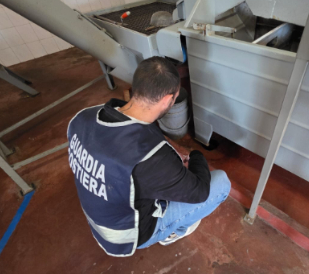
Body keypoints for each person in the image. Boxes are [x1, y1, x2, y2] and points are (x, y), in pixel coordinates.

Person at [67, 56, 231, 256]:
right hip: (127, 235)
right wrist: (195, 154)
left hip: (101, 216)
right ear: (168, 99)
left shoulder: (83, 117)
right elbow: (200, 192)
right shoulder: (151, 158)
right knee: (221, 183)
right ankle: (173, 231)